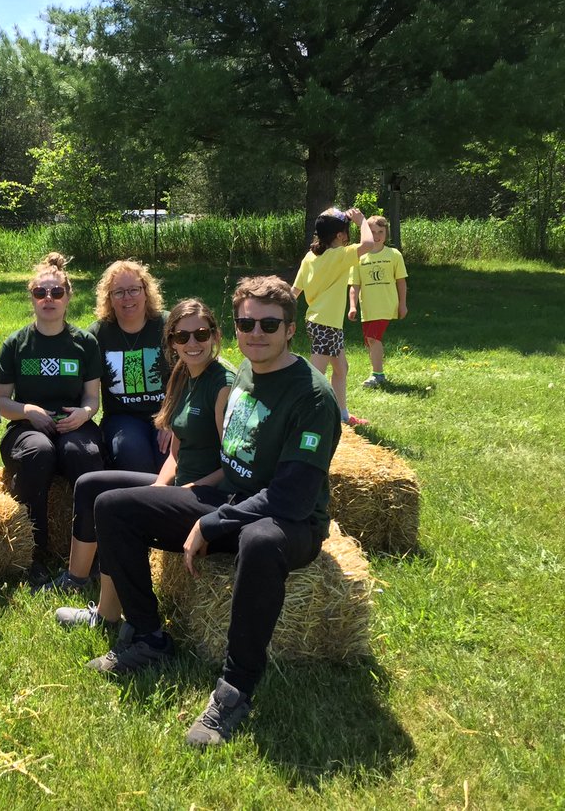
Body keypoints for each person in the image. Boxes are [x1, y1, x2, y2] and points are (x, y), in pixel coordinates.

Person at [88, 275, 341, 751]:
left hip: (290, 523)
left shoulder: (311, 396)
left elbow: (290, 498)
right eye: (246, 323)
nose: (256, 333)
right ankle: (148, 636)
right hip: (229, 500)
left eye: (269, 324)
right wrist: (192, 491)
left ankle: (234, 689)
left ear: (291, 329)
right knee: (113, 507)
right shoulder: (246, 371)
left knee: (259, 541)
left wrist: (211, 522)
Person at [52, 298, 234, 628]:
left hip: (211, 497)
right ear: (172, 342)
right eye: (183, 336)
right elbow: (176, 454)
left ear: (215, 335)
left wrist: (187, 489)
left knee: (113, 507)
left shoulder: (222, 386)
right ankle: (79, 582)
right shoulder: (183, 375)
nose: (192, 343)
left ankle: (126, 622)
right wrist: (159, 488)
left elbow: (233, 465)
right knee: (91, 485)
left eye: (201, 334)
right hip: (183, 487)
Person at [0, 252, 104, 585]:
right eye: (40, 292)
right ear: (31, 297)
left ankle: (92, 551)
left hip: (74, 425)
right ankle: (33, 553)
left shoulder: (84, 343)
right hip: (26, 428)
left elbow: (92, 398)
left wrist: (85, 413)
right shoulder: (16, 343)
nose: (48, 299)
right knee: (39, 452)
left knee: (83, 454)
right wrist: (27, 410)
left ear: (68, 297)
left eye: (56, 292)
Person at [293, 207, 375, 425]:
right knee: (316, 375)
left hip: (320, 322)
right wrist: (362, 221)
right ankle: (303, 417)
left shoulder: (310, 257)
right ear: (340, 235)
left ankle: (342, 415)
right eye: (346, 231)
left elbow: (295, 291)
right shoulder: (340, 255)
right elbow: (368, 244)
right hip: (325, 323)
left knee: (341, 368)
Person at [88, 260, 169, 472]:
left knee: (167, 455)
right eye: (119, 292)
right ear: (109, 298)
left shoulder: (168, 326)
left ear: (146, 292)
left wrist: (173, 419)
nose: (127, 298)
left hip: (166, 412)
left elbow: (189, 378)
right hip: (122, 417)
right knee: (131, 453)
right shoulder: (98, 334)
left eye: (134, 289)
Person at [348, 215, 409, 388]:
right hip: (368, 308)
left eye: (380, 232)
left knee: (373, 338)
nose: (376, 235)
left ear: (386, 233)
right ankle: (377, 372)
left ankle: (378, 375)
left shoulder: (394, 255)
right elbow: (354, 285)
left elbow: (401, 282)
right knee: (369, 340)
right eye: (372, 232)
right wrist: (352, 306)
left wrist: (402, 304)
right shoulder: (358, 257)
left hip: (386, 305)